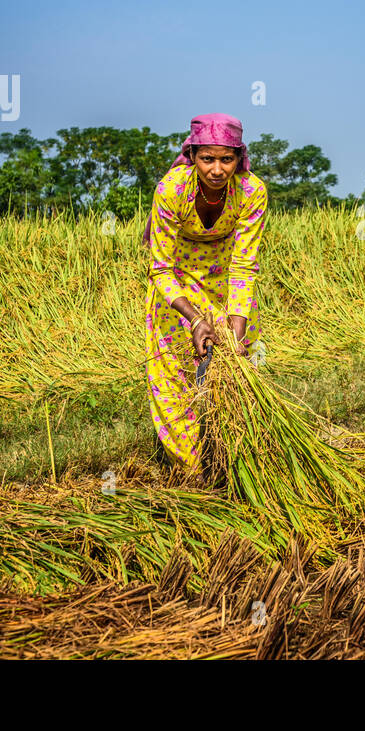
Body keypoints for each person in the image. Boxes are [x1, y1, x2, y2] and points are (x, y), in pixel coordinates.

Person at [141, 113, 268, 470]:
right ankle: (193, 470)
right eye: (207, 159)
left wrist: (237, 325)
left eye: (226, 159)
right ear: (192, 155)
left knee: (238, 371)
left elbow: (244, 263)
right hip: (176, 288)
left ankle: (237, 459)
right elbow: (161, 267)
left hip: (225, 283)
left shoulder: (251, 191)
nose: (216, 169)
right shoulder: (172, 189)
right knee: (175, 377)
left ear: (238, 158)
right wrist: (195, 319)